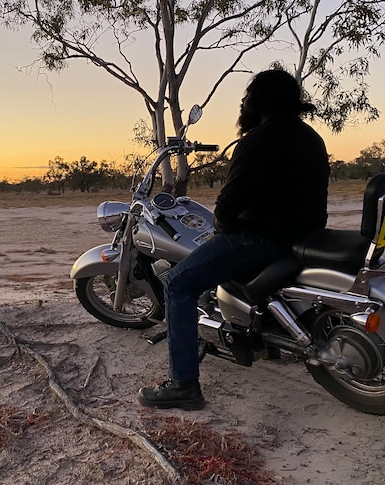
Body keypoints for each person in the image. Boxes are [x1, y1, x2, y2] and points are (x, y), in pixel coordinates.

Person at [138, 69, 330, 410]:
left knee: (179, 283)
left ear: (258, 102)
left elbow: (228, 206)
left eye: (247, 97)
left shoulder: (256, 141)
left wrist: (222, 226)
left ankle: (183, 383)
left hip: (262, 239)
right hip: (306, 235)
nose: (243, 103)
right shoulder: (310, 137)